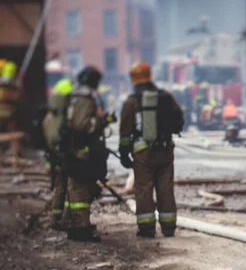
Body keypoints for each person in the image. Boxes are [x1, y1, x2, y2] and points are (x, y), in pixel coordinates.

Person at [119, 62, 184, 238]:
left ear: (134, 80)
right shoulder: (166, 96)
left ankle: (147, 228)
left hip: (143, 152)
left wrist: (124, 153)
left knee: (143, 188)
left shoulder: (131, 102)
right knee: (165, 187)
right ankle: (169, 227)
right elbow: (179, 119)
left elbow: (125, 132)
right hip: (165, 149)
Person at [62, 66, 109, 242]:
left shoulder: (76, 95)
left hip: (77, 149)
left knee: (76, 188)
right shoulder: (84, 97)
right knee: (80, 189)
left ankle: (72, 223)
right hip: (81, 150)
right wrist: (100, 122)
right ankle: (80, 229)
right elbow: (81, 125)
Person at [42, 78, 73, 229]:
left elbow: (47, 140)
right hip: (65, 156)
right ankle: (67, 218)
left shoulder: (49, 117)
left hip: (53, 157)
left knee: (58, 186)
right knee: (69, 187)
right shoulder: (65, 117)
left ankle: (56, 218)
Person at [0, 60, 22, 163]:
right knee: (12, 132)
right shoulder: (15, 85)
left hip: (3, 113)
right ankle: (14, 154)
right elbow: (19, 99)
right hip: (10, 114)